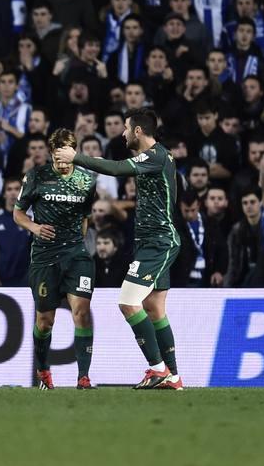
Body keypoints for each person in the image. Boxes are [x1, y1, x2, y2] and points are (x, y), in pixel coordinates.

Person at [53, 108, 183, 390]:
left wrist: (77, 158)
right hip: (150, 241)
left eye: (126, 128)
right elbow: (114, 165)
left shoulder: (156, 155)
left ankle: (158, 369)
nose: (123, 133)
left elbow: (116, 169)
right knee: (154, 308)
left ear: (138, 131)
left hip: (159, 241)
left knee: (128, 301)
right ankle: (173, 377)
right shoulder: (153, 157)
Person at [12, 129, 97, 389]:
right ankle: (43, 371)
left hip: (76, 256)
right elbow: (18, 214)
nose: (61, 165)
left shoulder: (86, 180)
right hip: (45, 257)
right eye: (57, 159)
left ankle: (83, 377)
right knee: (44, 321)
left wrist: (78, 245)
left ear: (73, 153)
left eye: (65, 158)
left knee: (81, 312)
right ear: (50, 155)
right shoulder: (36, 176)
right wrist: (35, 228)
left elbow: (85, 218)